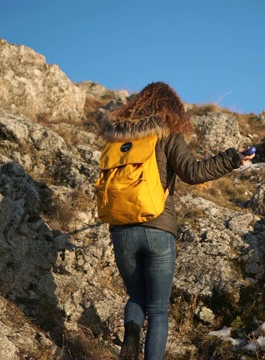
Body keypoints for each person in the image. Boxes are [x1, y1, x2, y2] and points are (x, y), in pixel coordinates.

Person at [98, 82, 255, 360]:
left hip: (121, 231)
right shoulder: (166, 133)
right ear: (171, 107)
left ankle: (131, 336)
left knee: (136, 297)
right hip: (158, 228)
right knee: (158, 309)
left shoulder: (117, 138)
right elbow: (193, 173)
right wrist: (233, 158)